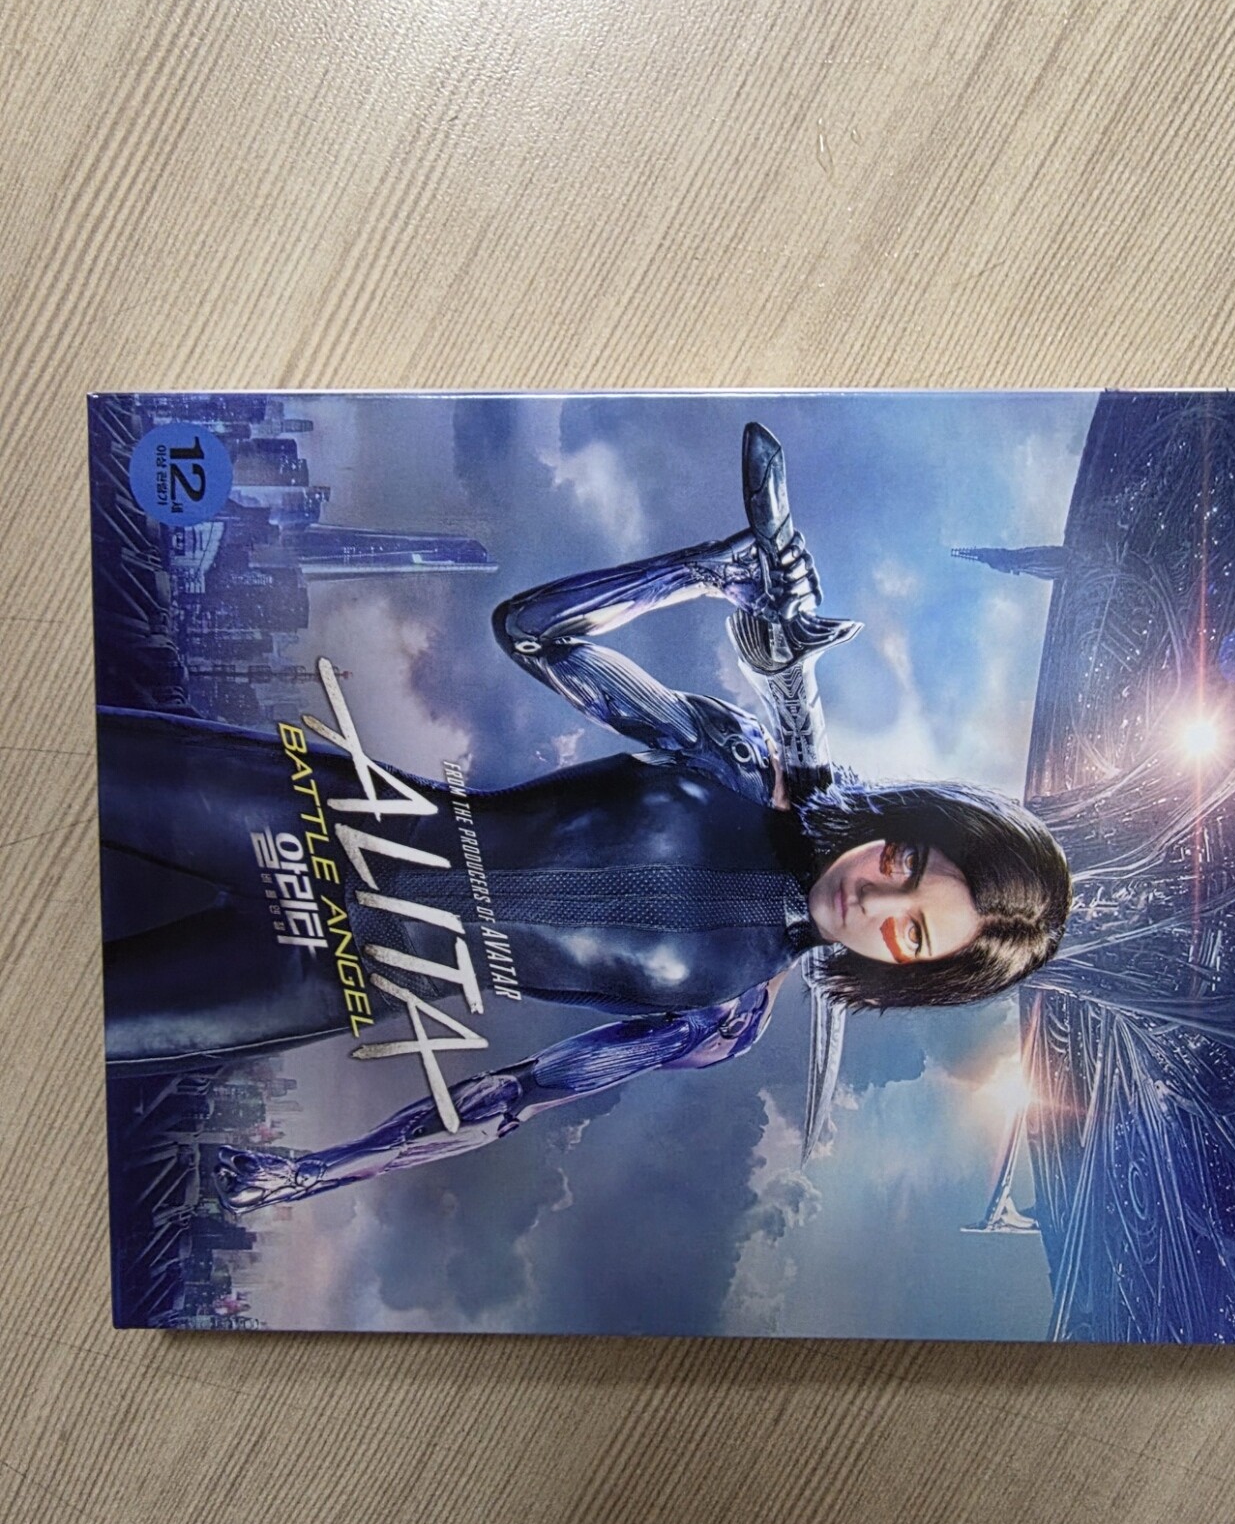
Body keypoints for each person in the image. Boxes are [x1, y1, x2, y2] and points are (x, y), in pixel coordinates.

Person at [99, 497, 1070, 1205]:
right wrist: (708, 569)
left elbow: (509, 1098)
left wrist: (315, 1173)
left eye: (910, 934)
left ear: (905, 976)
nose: (874, 903)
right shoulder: (730, 762)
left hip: (322, 978)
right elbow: (533, 634)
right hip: (312, 813)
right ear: (899, 827)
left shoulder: (719, 1018)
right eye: (904, 867)